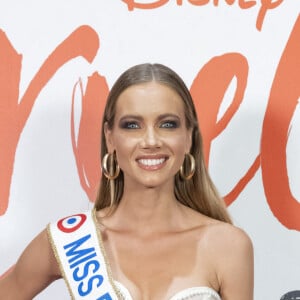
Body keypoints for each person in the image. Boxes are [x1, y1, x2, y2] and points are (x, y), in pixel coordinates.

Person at [0, 63, 254, 299]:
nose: (151, 141)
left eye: (167, 124)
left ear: (188, 137)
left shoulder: (229, 246)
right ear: (110, 138)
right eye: (132, 125)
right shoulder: (70, 241)